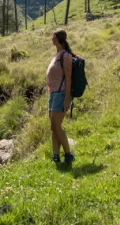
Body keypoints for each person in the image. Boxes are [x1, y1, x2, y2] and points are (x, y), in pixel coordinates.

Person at [46, 29, 75, 165]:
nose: (51, 38)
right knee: (53, 126)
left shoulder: (65, 56)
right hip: (53, 94)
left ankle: (68, 154)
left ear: (57, 38)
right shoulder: (57, 54)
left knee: (56, 125)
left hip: (61, 93)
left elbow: (68, 79)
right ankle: (55, 156)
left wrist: (66, 99)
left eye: (52, 36)